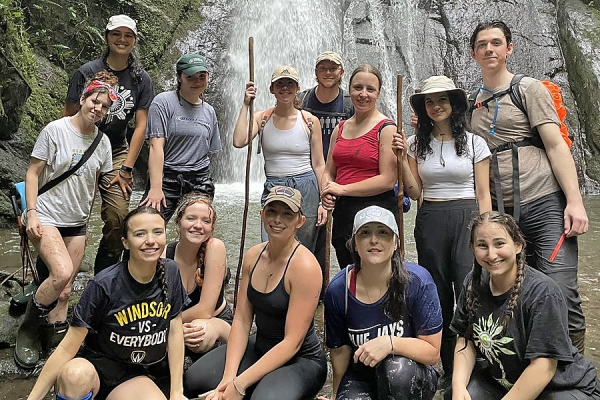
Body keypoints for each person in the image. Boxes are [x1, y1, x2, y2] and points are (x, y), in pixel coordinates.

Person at [468, 20, 588, 351]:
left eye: (496, 43)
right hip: (502, 215)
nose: (489, 49)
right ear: (473, 53)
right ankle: (529, 364)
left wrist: (575, 202)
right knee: (511, 291)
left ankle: (573, 370)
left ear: (509, 48)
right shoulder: (471, 105)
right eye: (482, 45)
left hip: (544, 204)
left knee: (561, 288)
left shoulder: (530, 90)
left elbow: (555, 145)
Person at [27, 206, 188, 400]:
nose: (151, 241)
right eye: (140, 234)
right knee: (75, 377)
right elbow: (67, 347)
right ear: (125, 243)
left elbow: (175, 329)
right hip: (94, 369)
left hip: (131, 376)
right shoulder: (104, 285)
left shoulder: (171, 272)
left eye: (157, 232)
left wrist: (177, 392)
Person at [393, 75, 491, 387]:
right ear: (423, 109)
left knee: (469, 288)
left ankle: (475, 365)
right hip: (431, 216)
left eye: (442, 100)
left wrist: (486, 231)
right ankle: (448, 366)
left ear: (454, 104)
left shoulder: (476, 143)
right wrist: (401, 159)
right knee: (437, 290)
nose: (436, 106)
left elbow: (484, 193)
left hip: (467, 216)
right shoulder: (415, 144)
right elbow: (414, 192)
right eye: (430, 102)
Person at [184, 186, 327, 400]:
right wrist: (228, 378)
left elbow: (292, 342)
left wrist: (240, 384)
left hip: (300, 359)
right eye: (271, 211)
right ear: (261, 214)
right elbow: (241, 320)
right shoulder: (253, 256)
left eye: (287, 214)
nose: (277, 219)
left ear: (300, 221)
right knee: (194, 379)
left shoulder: (305, 268)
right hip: (259, 345)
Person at [15, 71, 115, 369]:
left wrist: (87, 220)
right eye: (94, 101)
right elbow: (32, 173)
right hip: (45, 214)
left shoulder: (104, 143)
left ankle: (55, 335)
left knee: (67, 290)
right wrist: (30, 212)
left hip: (76, 223)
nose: (98, 108)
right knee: (60, 273)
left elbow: (94, 184)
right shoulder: (55, 131)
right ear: (83, 99)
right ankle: (29, 330)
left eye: (105, 106)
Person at [448, 211, 600, 400]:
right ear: (472, 248)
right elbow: (465, 340)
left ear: (518, 245)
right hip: (507, 383)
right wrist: (458, 386)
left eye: (499, 243)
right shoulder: (473, 283)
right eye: (482, 245)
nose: (491, 254)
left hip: (562, 388)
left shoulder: (543, 293)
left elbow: (543, 367)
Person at [321, 205, 442, 400]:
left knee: (396, 371)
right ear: (354, 244)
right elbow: (340, 351)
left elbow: (432, 352)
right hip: (362, 375)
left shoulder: (418, 282)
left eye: (383, 233)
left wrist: (390, 343)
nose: (374, 240)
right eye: (365, 233)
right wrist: (336, 395)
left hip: (409, 373)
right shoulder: (338, 290)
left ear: (395, 242)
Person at [64, 14, 154, 274]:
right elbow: (69, 114)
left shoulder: (141, 79)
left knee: (118, 216)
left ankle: (103, 277)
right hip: (82, 148)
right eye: (117, 34)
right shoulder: (86, 72)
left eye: (128, 35)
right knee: (68, 214)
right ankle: (52, 277)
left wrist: (126, 168)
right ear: (107, 37)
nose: (122, 39)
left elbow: (141, 126)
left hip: (115, 151)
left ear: (134, 40)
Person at [233, 65, 326, 252]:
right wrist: (245, 104)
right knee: (271, 244)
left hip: (306, 185)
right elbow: (239, 140)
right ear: (271, 89)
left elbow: (318, 164)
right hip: (274, 185)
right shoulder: (262, 118)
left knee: (304, 246)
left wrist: (323, 201)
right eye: (280, 84)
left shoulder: (309, 121)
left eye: (290, 83)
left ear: (298, 88)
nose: (285, 88)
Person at [321, 64, 398, 270]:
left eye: (370, 89)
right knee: (350, 272)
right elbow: (329, 170)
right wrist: (327, 189)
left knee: (376, 275)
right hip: (344, 213)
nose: (363, 94)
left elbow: (388, 180)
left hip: (376, 213)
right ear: (349, 90)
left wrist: (342, 189)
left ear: (379, 93)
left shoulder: (387, 128)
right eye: (358, 88)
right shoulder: (340, 128)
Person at [141, 53, 222, 222]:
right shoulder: (163, 102)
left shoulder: (209, 111)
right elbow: (156, 146)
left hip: (199, 179)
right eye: (190, 77)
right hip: (167, 177)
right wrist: (156, 187)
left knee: (198, 231)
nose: (197, 82)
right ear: (179, 77)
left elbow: (209, 153)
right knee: (146, 224)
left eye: (202, 76)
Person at [298, 51, 354, 286]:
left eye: (333, 68)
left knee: (342, 237)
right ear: (316, 72)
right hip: (307, 176)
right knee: (310, 237)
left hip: (343, 177)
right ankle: (312, 289)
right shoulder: (301, 100)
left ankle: (348, 285)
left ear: (341, 72)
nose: (328, 73)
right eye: (323, 68)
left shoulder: (351, 103)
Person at [166, 193, 232, 356]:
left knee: (198, 331)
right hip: (179, 325)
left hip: (216, 322)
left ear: (212, 227)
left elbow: (205, 311)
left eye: (206, 221)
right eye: (191, 218)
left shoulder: (215, 248)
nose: (198, 225)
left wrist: (166, 325)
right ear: (178, 222)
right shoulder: (164, 254)